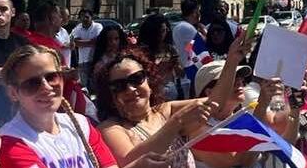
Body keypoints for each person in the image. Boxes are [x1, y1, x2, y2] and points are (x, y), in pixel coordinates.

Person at [96, 35, 251, 168]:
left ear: (149, 82)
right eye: (119, 86)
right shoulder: (110, 128)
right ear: (111, 95)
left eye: (136, 79)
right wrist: (176, 122)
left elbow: (216, 102)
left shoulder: (165, 111)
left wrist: (232, 59)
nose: (130, 89)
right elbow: (132, 161)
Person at [0, 45, 117, 168]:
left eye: (51, 77)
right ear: (13, 93)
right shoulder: (9, 141)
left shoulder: (82, 124)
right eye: (32, 83)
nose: (47, 87)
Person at [137, 14, 184, 100]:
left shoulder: (170, 49)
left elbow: (181, 74)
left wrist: (175, 64)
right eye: (162, 31)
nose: (165, 33)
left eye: (166, 30)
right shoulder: (142, 51)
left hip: (170, 91)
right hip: (151, 93)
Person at [71, 10, 103, 91]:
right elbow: (76, 43)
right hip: (83, 62)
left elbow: (98, 41)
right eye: (82, 17)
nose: (84, 19)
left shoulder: (97, 26)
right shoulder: (77, 28)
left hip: (96, 60)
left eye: (87, 17)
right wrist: (91, 42)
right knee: (85, 88)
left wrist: (83, 42)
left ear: (91, 17)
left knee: (96, 86)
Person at [172, 0, 201, 69]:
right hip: (188, 72)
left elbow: (187, 48)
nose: (199, 13)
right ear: (195, 12)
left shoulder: (179, 26)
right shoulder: (188, 28)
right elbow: (196, 49)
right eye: (198, 10)